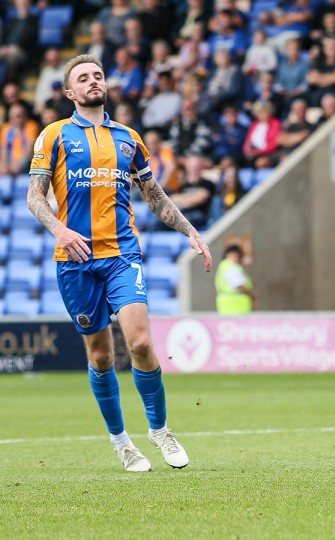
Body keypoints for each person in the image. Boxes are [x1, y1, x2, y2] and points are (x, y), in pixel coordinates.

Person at [27, 54, 213, 472]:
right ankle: (121, 442)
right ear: (69, 92)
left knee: (141, 343)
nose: (93, 81)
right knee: (100, 356)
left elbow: (155, 196)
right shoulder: (54, 135)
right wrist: (59, 230)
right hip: (74, 259)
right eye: (83, 78)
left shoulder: (128, 138)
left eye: (98, 75)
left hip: (121, 253)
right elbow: (34, 197)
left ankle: (160, 430)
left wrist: (190, 231)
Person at [215, 244, 255, 314]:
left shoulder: (224, 265)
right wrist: (253, 295)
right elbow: (240, 285)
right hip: (236, 306)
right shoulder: (231, 267)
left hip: (227, 304)